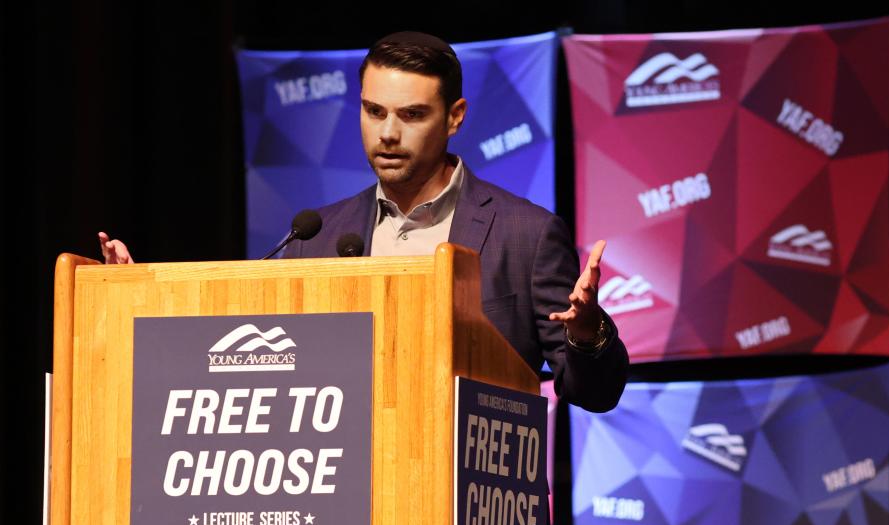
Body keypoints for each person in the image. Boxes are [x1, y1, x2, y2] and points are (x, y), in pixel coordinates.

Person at [100, 31, 627, 413]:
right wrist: (142, 300)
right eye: (374, 112)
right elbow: (259, 358)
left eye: (411, 115)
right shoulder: (318, 235)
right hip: (344, 515)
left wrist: (586, 332)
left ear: (455, 117)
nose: (388, 134)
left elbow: (596, 393)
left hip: (475, 517)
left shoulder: (527, 235)